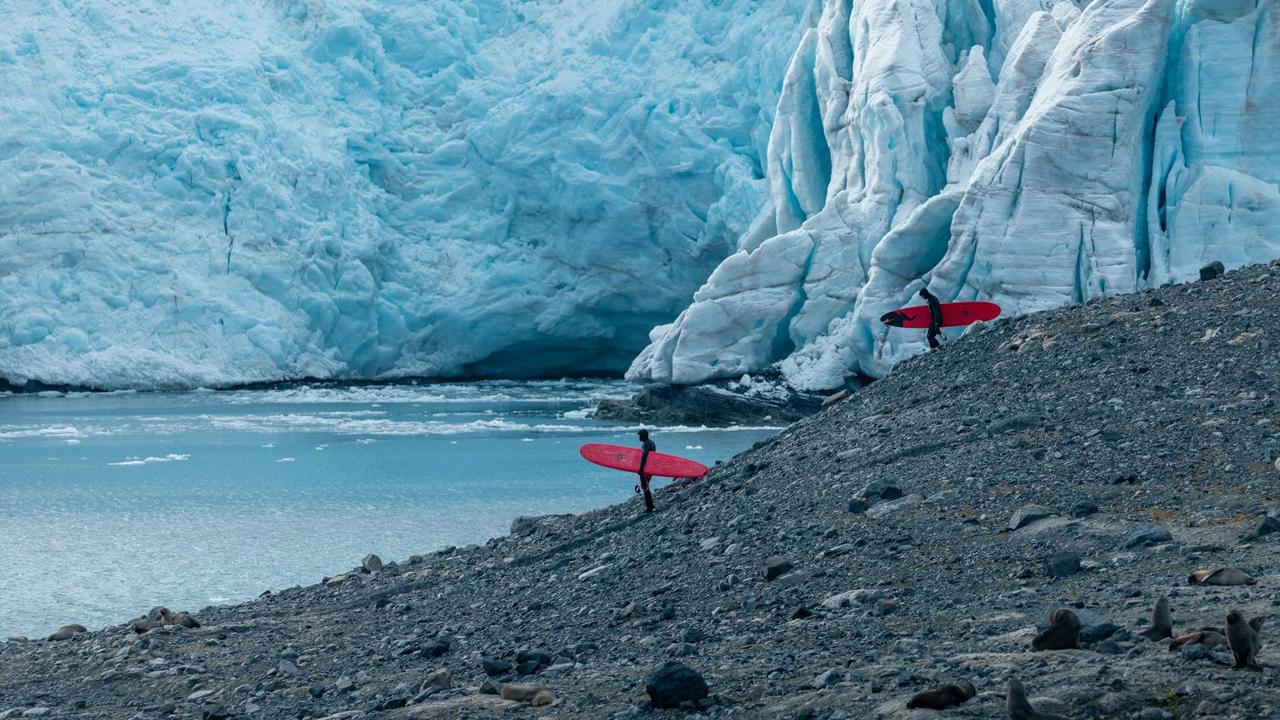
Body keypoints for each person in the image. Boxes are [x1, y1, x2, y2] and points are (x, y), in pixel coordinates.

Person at [636, 429, 656, 512]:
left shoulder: (645, 444)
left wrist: (641, 469)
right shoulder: (652, 442)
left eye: (639, 435)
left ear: (643, 435)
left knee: (645, 487)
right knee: (646, 486)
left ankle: (649, 508)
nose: (638, 437)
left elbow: (645, 457)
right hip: (651, 468)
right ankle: (651, 506)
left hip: (646, 469)